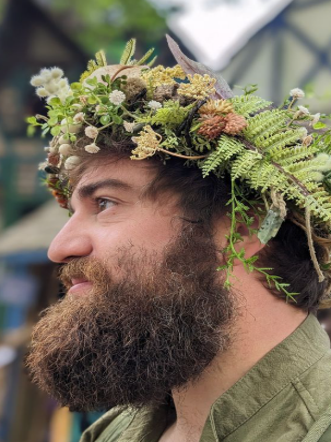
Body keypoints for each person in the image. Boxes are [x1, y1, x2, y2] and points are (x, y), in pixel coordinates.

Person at [26, 36, 331, 442]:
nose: (59, 248)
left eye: (104, 203)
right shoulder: (111, 432)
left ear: (245, 226)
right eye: (72, 213)